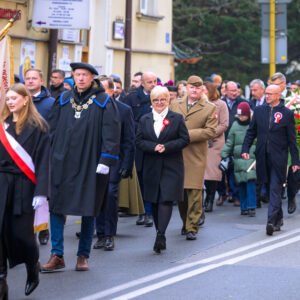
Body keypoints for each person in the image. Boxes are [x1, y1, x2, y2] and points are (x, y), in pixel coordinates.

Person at [41, 62, 120, 272]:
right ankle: (57, 254)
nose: (81, 78)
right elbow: (52, 129)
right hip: (62, 161)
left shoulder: (104, 101)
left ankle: (83, 255)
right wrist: (48, 156)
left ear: (92, 77)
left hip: (90, 162)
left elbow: (111, 134)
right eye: (77, 75)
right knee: (56, 205)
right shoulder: (64, 99)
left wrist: (106, 160)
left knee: (88, 207)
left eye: (84, 75)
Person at [0, 83, 50, 297]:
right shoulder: (2, 125)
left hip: (24, 186)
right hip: (1, 183)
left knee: (23, 236)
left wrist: (41, 192)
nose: (10, 102)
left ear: (25, 99)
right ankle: (1, 281)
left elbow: (44, 162)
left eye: (14, 98)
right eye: (8, 98)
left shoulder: (38, 127)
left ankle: (32, 265)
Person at [136, 86, 189, 253]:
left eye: (162, 99)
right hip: (151, 166)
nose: (159, 103)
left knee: (166, 199)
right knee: (155, 200)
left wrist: (166, 147)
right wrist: (153, 147)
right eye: (155, 100)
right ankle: (159, 232)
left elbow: (184, 139)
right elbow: (138, 141)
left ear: (168, 100)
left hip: (171, 165)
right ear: (151, 102)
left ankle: (161, 234)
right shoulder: (144, 119)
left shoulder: (177, 118)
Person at [242, 84, 300, 236]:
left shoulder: (286, 113)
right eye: (266, 93)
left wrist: (295, 161)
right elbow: (251, 132)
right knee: (269, 188)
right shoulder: (259, 111)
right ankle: (278, 218)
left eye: (270, 94)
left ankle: (270, 222)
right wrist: (245, 149)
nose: (267, 96)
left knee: (275, 188)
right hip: (262, 156)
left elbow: (292, 140)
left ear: (278, 95)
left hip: (279, 158)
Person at [170, 75, 217, 240]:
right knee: (181, 192)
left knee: (195, 191)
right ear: (186, 88)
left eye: (198, 88)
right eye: (191, 87)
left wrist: (186, 135)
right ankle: (185, 222)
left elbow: (211, 131)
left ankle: (192, 226)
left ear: (202, 89)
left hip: (196, 154)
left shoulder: (209, 108)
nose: (194, 90)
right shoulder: (175, 104)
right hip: (177, 153)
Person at [93, 77, 135, 251]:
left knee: (110, 194)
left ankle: (109, 234)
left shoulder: (123, 110)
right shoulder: (92, 108)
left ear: (112, 91)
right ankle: (100, 233)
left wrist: (127, 164)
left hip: (114, 161)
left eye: (104, 90)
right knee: (96, 197)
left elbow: (129, 140)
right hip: (94, 161)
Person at [24, 68, 55, 246]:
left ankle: (43, 227)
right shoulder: (20, 100)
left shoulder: (50, 103)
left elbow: (54, 129)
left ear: (41, 81)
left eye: (34, 78)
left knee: (41, 191)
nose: (30, 81)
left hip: (42, 153)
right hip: (22, 154)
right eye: (27, 78)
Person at [123, 71, 157, 227]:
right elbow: (127, 120)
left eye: (155, 81)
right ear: (142, 83)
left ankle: (149, 213)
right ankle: (142, 211)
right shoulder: (131, 98)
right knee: (140, 178)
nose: (153, 84)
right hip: (137, 144)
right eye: (149, 82)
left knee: (150, 180)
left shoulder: (159, 97)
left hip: (153, 143)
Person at [222, 102, 256, 216]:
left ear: (248, 115)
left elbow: (258, 140)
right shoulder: (235, 125)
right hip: (238, 159)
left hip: (251, 158)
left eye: (243, 115)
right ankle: (244, 206)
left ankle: (251, 206)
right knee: (241, 183)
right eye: (239, 115)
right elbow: (230, 141)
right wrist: (224, 154)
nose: (241, 117)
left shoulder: (253, 124)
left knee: (250, 182)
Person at [203, 82, 229, 212]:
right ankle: (201, 200)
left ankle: (210, 198)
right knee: (200, 173)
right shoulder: (199, 104)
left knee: (211, 174)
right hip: (200, 141)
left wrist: (209, 133)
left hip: (214, 143)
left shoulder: (221, 104)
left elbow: (224, 124)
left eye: (204, 90)